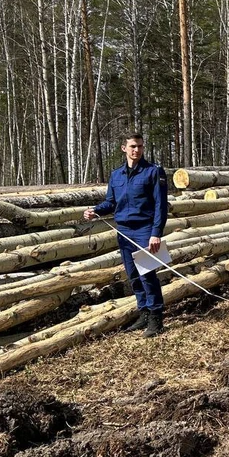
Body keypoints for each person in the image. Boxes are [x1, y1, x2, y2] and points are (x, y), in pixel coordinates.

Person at [84, 133, 169, 338]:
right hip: (123, 231)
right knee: (133, 275)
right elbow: (111, 202)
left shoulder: (153, 172)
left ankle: (156, 318)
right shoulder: (116, 175)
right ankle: (144, 313)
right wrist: (95, 210)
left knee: (147, 274)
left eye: (140, 146)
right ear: (124, 148)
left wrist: (156, 233)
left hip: (145, 230)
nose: (136, 150)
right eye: (132, 146)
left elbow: (161, 205)